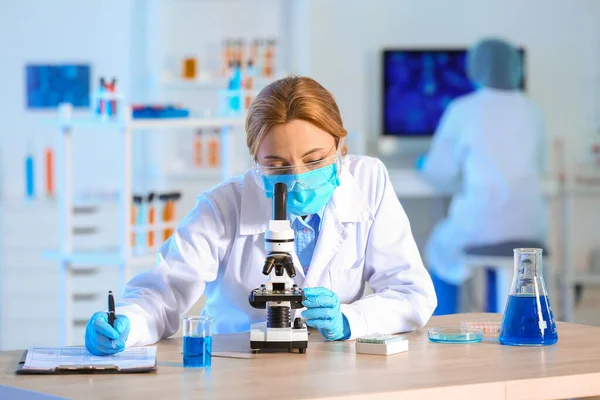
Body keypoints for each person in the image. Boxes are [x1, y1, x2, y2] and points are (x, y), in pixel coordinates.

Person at [85, 76, 437, 355]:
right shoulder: (223, 206)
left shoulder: (368, 181)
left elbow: (412, 293)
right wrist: (127, 322)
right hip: (238, 369)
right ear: (255, 162)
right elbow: (161, 294)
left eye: (315, 160)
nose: (297, 178)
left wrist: (349, 319)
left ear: (341, 146)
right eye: (277, 166)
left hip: (333, 369)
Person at [419, 38, 547, 315]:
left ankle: (441, 326)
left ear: (474, 69)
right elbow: (540, 165)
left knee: (439, 251)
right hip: (531, 225)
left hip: (481, 223)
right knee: (502, 262)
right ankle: (501, 317)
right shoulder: (533, 111)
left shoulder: (463, 109)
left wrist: (423, 164)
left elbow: (438, 171)